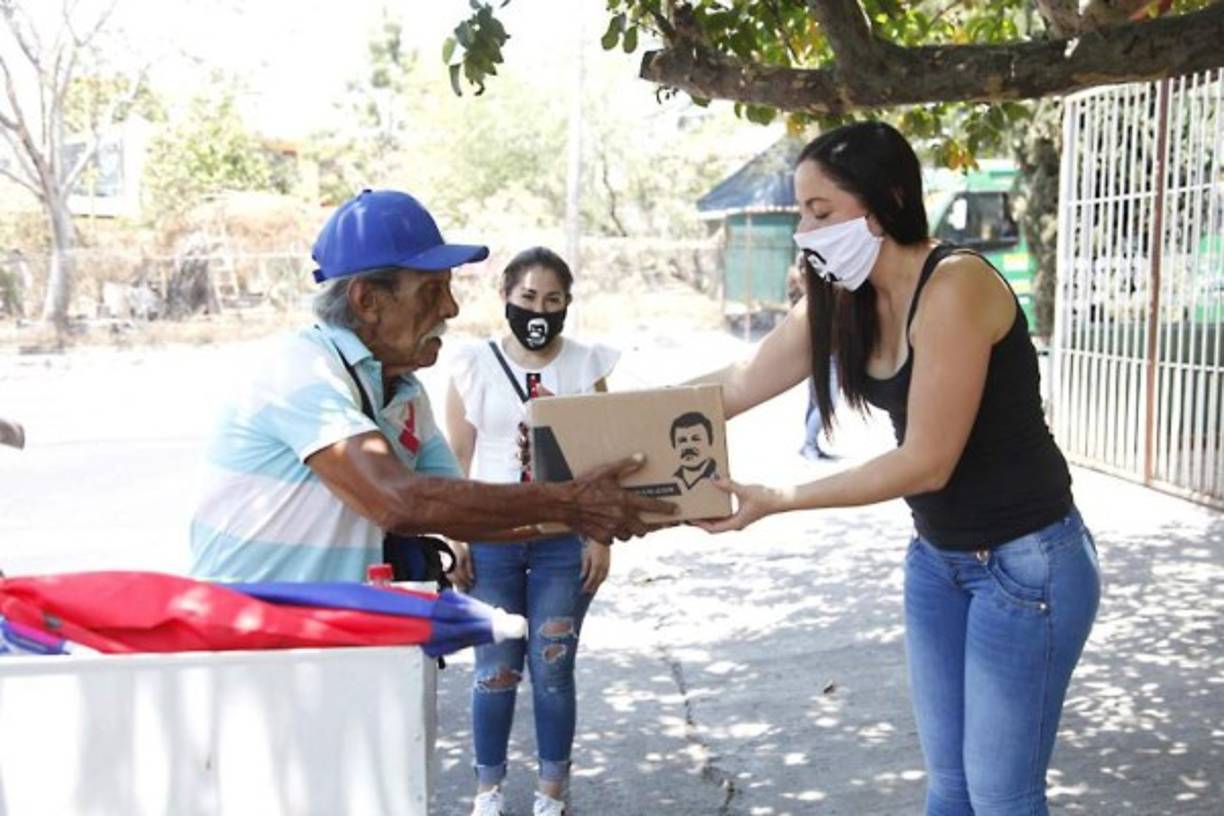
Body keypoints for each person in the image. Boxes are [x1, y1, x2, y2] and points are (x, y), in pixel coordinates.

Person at [691, 122, 1100, 816]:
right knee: (950, 788)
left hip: (1028, 566)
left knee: (1001, 795)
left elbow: (927, 463)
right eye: (802, 214)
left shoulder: (956, 286)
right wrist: (597, 421)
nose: (806, 233)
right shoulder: (843, 295)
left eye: (821, 212)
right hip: (938, 562)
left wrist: (779, 497)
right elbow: (734, 385)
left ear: (888, 201)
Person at [189, 191, 672, 585]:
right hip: (254, 645)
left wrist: (636, 508)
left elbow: (463, 507)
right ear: (367, 300)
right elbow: (399, 501)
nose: (451, 309)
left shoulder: (402, 393)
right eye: (431, 291)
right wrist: (573, 502)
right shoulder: (302, 370)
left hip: (331, 644)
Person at [445, 246, 618, 816]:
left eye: (552, 300)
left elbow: (604, 461)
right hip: (491, 541)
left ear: (567, 303)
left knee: (552, 667)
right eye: (528, 297)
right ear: (505, 296)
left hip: (563, 543)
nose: (539, 310)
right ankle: (487, 790)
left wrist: (600, 537)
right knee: (495, 670)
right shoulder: (473, 364)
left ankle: (551, 792)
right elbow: (455, 460)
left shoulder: (586, 365)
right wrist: (454, 534)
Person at [787, 258, 838, 460]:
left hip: (821, 354)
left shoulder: (805, 294)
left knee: (816, 401)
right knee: (828, 402)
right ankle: (809, 445)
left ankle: (811, 445)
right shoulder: (812, 298)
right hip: (824, 355)